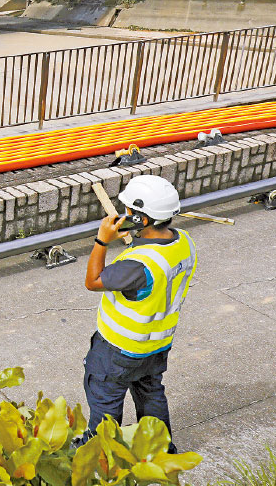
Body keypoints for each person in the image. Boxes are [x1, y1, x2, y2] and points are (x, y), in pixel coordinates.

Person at [80, 174, 197, 451]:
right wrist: (135, 240)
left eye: (130, 211)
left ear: (142, 219)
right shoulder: (184, 242)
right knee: (150, 391)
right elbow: (153, 263)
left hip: (120, 347)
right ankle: (160, 448)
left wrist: (101, 241)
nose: (125, 215)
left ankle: (101, 455)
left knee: (105, 398)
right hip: (156, 344)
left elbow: (93, 282)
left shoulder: (137, 264)